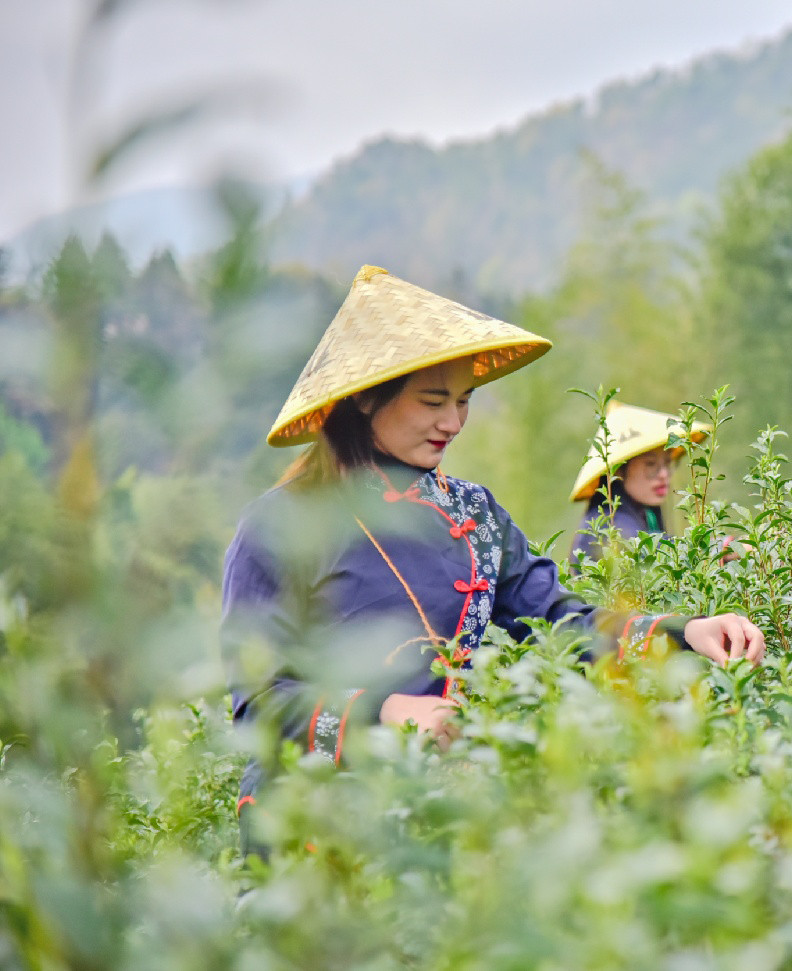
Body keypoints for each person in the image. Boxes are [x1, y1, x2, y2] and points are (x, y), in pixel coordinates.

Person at [222, 266, 764, 855]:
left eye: (464, 401)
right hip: (312, 827)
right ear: (363, 399)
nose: (452, 423)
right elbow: (261, 705)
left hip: (441, 814)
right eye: (433, 401)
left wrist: (683, 632)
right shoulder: (281, 527)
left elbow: (560, 619)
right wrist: (384, 712)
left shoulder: (474, 513)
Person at [567, 401, 709, 570]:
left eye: (667, 463)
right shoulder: (606, 525)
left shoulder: (645, 511)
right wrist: (719, 548)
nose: (663, 474)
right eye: (650, 464)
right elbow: (646, 549)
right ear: (618, 470)